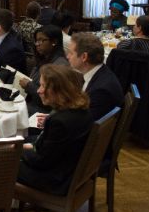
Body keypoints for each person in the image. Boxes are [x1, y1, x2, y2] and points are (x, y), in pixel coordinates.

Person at [17, 64, 95, 196]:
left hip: (56, 180)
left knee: (0, 163)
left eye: (43, 86)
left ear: (58, 90)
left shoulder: (59, 121)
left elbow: (41, 161)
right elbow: (49, 147)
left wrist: (17, 150)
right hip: (67, 170)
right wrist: (25, 144)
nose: (38, 91)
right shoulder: (82, 110)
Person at [67, 32, 124, 121]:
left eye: (71, 53)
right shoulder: (100, 72)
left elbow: (84, 123)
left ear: (84, 57)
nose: (67, 56)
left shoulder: (101, 91)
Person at [19, 25, 69, 114]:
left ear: (54, 42)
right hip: (33, 103)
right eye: (36, 41)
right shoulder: (43, 58)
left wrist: (29, 86)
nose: (37, 44)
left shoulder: (60, 65)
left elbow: (53, 99)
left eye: (42, 40)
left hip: (46, 111)